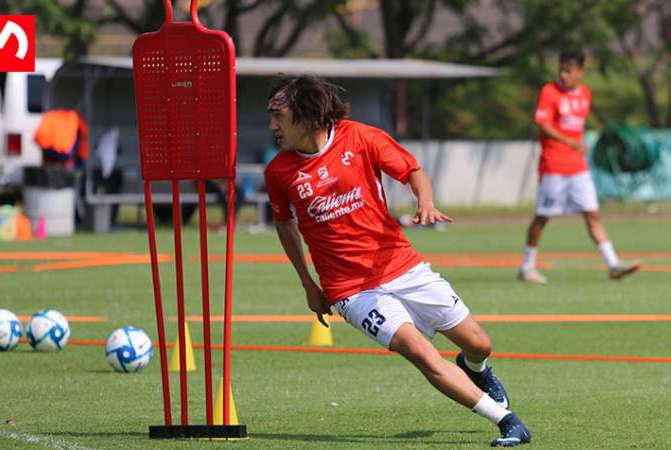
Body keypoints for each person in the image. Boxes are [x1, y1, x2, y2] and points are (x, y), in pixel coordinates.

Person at [263, 75, 531, 447]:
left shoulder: (360, 138)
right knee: (419, 352)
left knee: (479, 343)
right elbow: (284, 223)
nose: (272, 126)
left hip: (402, 265)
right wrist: (308, 283)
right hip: (352, 291)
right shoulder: (279, 172)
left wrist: (425, 200)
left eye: (278, 115)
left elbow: (412, 171)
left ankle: (475, 368)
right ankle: (508, 422)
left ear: (307, 114)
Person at [519, 50, 640, 284]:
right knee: (543, 217)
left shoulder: (585, 94)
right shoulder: (549, 91)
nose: (563, 75)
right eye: (561, 70)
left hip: (578, 167)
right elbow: (542, 124)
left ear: (580, 73)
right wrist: (570, 142)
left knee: (592, 214)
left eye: (568, 71)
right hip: (554, 165)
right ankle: (527, 267)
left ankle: (613, 265)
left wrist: (576, 145)